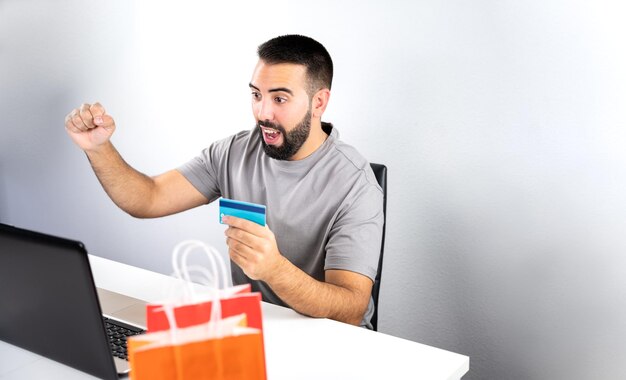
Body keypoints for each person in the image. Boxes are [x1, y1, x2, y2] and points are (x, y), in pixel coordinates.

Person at [64, 35, 384, 328]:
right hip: (253, 330)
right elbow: (148, 198)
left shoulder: (356, 184)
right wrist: (99, 148)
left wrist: (274, 269)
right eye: (256, 95)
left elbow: (351, 308)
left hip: (333, 344)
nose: (262, 112)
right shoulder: (234, 152)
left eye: (280, 99)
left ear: (319, 103)